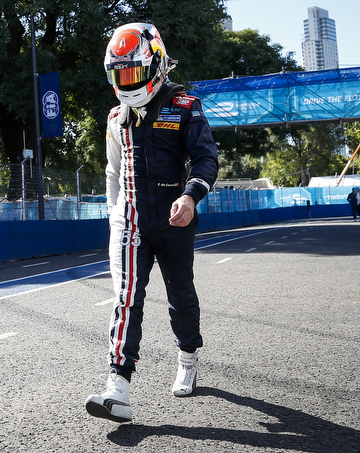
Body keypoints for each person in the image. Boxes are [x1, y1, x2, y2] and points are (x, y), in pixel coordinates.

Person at [85, 22, 219, 423]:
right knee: (126, 297)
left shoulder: (186, 106)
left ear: (157, 65)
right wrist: (115, 213)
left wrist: (190, 196)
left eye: (134, 72)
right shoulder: (115, 117)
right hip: (130, 221)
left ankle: (188, 357)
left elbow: (206, 158)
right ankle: (118, 386)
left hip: (175, 218)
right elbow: (112, 171)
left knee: (181, 294)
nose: (127, 82)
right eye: (120, 74)